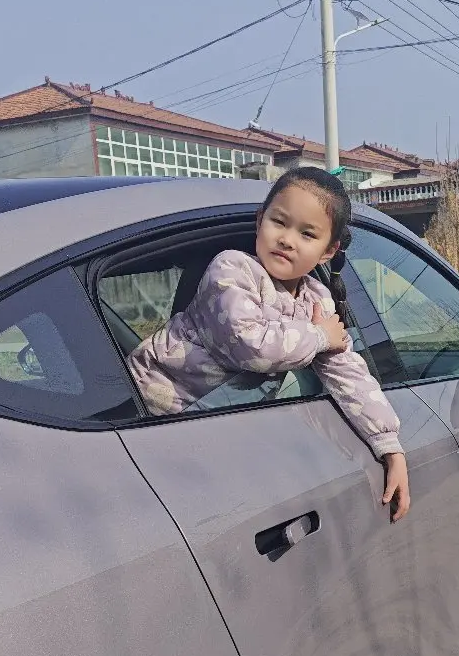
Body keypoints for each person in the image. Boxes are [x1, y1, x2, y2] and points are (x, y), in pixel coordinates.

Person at [127, 166, 410, 520]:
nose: (287, 239)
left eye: (307, 234)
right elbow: (250, 346)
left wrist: (389, 445)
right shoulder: (232, 270)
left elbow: (346, 369)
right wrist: (320, 336)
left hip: (202, 431)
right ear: (261, 220)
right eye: (279, 222)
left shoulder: (317, 301)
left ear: (328, 251)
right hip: (149, 409)